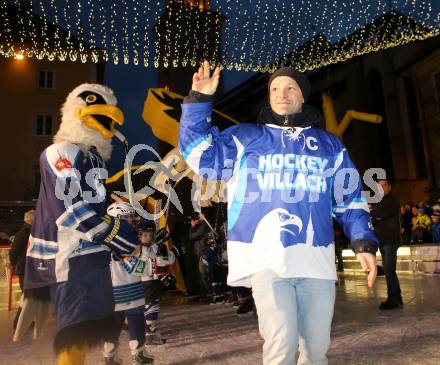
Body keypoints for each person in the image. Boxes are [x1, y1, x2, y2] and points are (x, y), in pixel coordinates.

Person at [178, 61, 378, 365]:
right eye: (274, 88)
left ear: (302, 96)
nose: (281, 94)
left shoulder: (329, 145)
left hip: (316, 259)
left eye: (290, 88)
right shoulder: (245, 138)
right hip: (265, 259)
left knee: (315, 348)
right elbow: (201, 157)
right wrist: (198, 101)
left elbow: (349, 198)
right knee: (280, 342)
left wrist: (362, 241)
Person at [102, 202, 154, 365]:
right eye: (129, 217)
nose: (132, 220)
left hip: (110, 292)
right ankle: (138, 355)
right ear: (119, 218)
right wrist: (144, 258)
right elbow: (142, 270)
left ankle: (108, 357)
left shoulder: (102, 240)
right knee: (136, 323)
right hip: (130, 290)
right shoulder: (129, 242)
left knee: (113, 326)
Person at [138, 220, 175, 346]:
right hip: (144, 283)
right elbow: (144, 266)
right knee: (149, 308)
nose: (148, 237)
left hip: (155, 283)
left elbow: (169, 260)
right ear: (139, 235)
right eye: (145, 235)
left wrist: (164, 251)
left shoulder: (155, 246)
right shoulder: (138, 249)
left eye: (151, 235)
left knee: (153, 308)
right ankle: (148, 335)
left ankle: (150, 333)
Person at [370, 179, 403, 310]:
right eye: (379, 186)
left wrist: (372, 214)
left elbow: (376, 214)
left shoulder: (391, 201)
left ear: (389, 186)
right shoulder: (379, 201)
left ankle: (393, 300)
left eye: (384, 185)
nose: (381, 188)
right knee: (389, 271)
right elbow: (374, 217)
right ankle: (397, 298)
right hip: (383, 241)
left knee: (389, 271)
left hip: (391, 241)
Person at [9, 209, 35, 330]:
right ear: (32, 220)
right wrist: (15, 264)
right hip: (26, 269)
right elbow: (14, 252)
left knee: (29, 296)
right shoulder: (25, 233)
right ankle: (18, 323)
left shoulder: (26, 232)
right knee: (27, 296)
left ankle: (24, 321)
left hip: (27, 269)